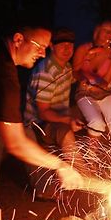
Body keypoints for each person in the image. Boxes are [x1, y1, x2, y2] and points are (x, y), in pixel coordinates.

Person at [0, 25, 83, 201]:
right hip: (36, 124)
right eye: (39, 46)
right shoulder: (5, 77)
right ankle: (46, 186)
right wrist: (61, 166)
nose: (43, 54)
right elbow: (16, 143)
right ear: (18, 40)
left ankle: (84, 177)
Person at [24, 28, 85, 198]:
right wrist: (68, 120)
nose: (67, 49)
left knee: (84, 105)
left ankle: (85, 176)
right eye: (62, 45)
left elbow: (75, 76)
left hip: (53, 119)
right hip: (36, 124)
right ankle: (85, 177)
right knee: (66, 132)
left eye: (70, 46)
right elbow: (43, 113)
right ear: (52, 46)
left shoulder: (65, 67)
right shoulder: (46, 72)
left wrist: (88, 77)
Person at [72, 20, 111, 141]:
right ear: (97, 31)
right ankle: (92, 156)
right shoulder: (83, 49)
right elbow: (75, 71)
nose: (110, 35)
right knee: (96, 122)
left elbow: (106, 81)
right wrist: (83, 79)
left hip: (105, 92)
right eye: (106, 31)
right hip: (84, 92)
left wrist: (97, 85)